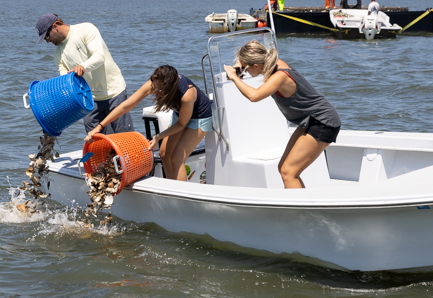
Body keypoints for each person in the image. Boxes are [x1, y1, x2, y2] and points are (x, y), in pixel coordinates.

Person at [223, 40, 341, 189]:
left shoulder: (280, 76)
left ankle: (299, 211)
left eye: (246, 69)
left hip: (323, 121)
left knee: (288, 172)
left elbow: (254, 96)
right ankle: (302, 204)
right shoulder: (274, 63)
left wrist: (234, 77)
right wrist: (241, 67)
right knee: (283, 168)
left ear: (256, 66)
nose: (245, 73)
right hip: (311, 120)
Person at [84, 65, 212, 181]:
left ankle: (183, 198)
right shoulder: (153, 84)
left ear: (169, 89)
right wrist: (100, 126)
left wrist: (158, 137)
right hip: (180, 114)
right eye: (154, 86)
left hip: (200, 118)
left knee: (177, 158)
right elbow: (125, 107)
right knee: (164, 153)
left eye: (159, 90)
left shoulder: (187, 94)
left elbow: (181, 124)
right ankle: (172, 187)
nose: (154, 91)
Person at [36, 13, 133, 134]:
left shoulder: (85, 29)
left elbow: (99, 57)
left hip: (114, 92)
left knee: (125, 137)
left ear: (55, 26)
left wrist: (83, 66)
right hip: (89, 101)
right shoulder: (58, 55)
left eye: (46, 36)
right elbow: (65, 82)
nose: (47, 41)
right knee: (95, 142)